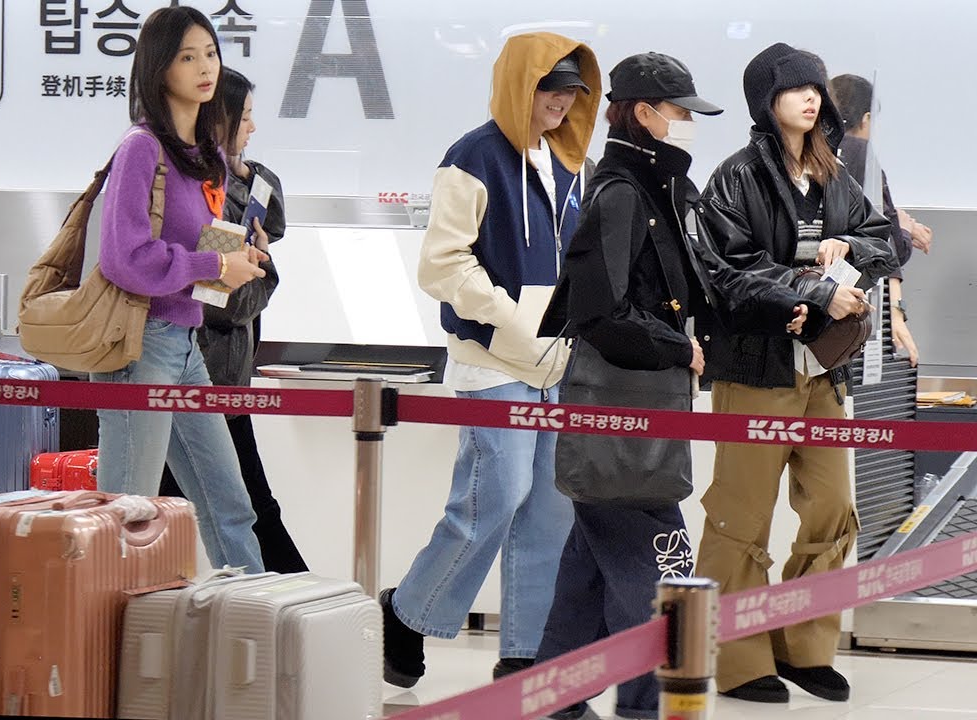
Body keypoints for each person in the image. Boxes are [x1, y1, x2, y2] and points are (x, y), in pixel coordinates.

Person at [532, 53, 817, 720]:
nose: (688, 123)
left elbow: (712, 277)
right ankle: (646, 706)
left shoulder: (670, 192)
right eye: (680, 111)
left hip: (650, 410)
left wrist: (782, 304)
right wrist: (678, 344)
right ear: (642, 113)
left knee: (587, 570)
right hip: (615, 411)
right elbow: (598, 315)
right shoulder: (619, 194)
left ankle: (547, 699)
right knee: (664, 569)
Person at [380, 32, 601, 688]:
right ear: (518, 84)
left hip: (557, 358)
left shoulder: (566, 162)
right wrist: (512, 318)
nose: (561, 101)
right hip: (490, 356)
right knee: (494, 496)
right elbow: (441, 264)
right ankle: (407, 611)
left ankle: (525, 653)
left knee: (552, 506)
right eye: (549, 87)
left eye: (571, 90)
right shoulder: (471, 157)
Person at [695, 43, 898, 704]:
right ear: (766, 101)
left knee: (835, 510)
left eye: (816, 89)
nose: (812, 99)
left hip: (823, 372)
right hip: (755, 370)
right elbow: (727, 272)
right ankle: (737, 657)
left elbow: (883, 236)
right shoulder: (734, 177)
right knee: (740, 519)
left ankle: (804, 645)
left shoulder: (833, 173)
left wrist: (854, 249)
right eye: (795, 90)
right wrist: (811, 289)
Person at [91, 6, 266, 573]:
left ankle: (255, 626)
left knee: (229, 504)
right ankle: (100, 640)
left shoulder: (207, 154)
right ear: (158, 67)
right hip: (139, 345)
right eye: (187, 56)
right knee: (125, 513)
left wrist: (236, 260)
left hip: (185, 342)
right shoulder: (142, 147)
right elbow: (126, 259)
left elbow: (199, 250)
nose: (203, 67)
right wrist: (213, 261)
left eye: (210, 53)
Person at [157, 67, 306, 573]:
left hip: (220, 373)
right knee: (245, 507)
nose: (252, 128)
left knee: (195, 506)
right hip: (207, 372)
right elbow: (225, 301)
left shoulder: (242, 186)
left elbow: (273, 218)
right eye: (243, 118)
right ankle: (293, 601)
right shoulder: (208, 198)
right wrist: (264, 271)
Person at [829, 73, 930, 366]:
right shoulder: (861, 153)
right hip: (857, 307)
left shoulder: (818, 153)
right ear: (867, 117)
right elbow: (888, 246)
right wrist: (905, 230)